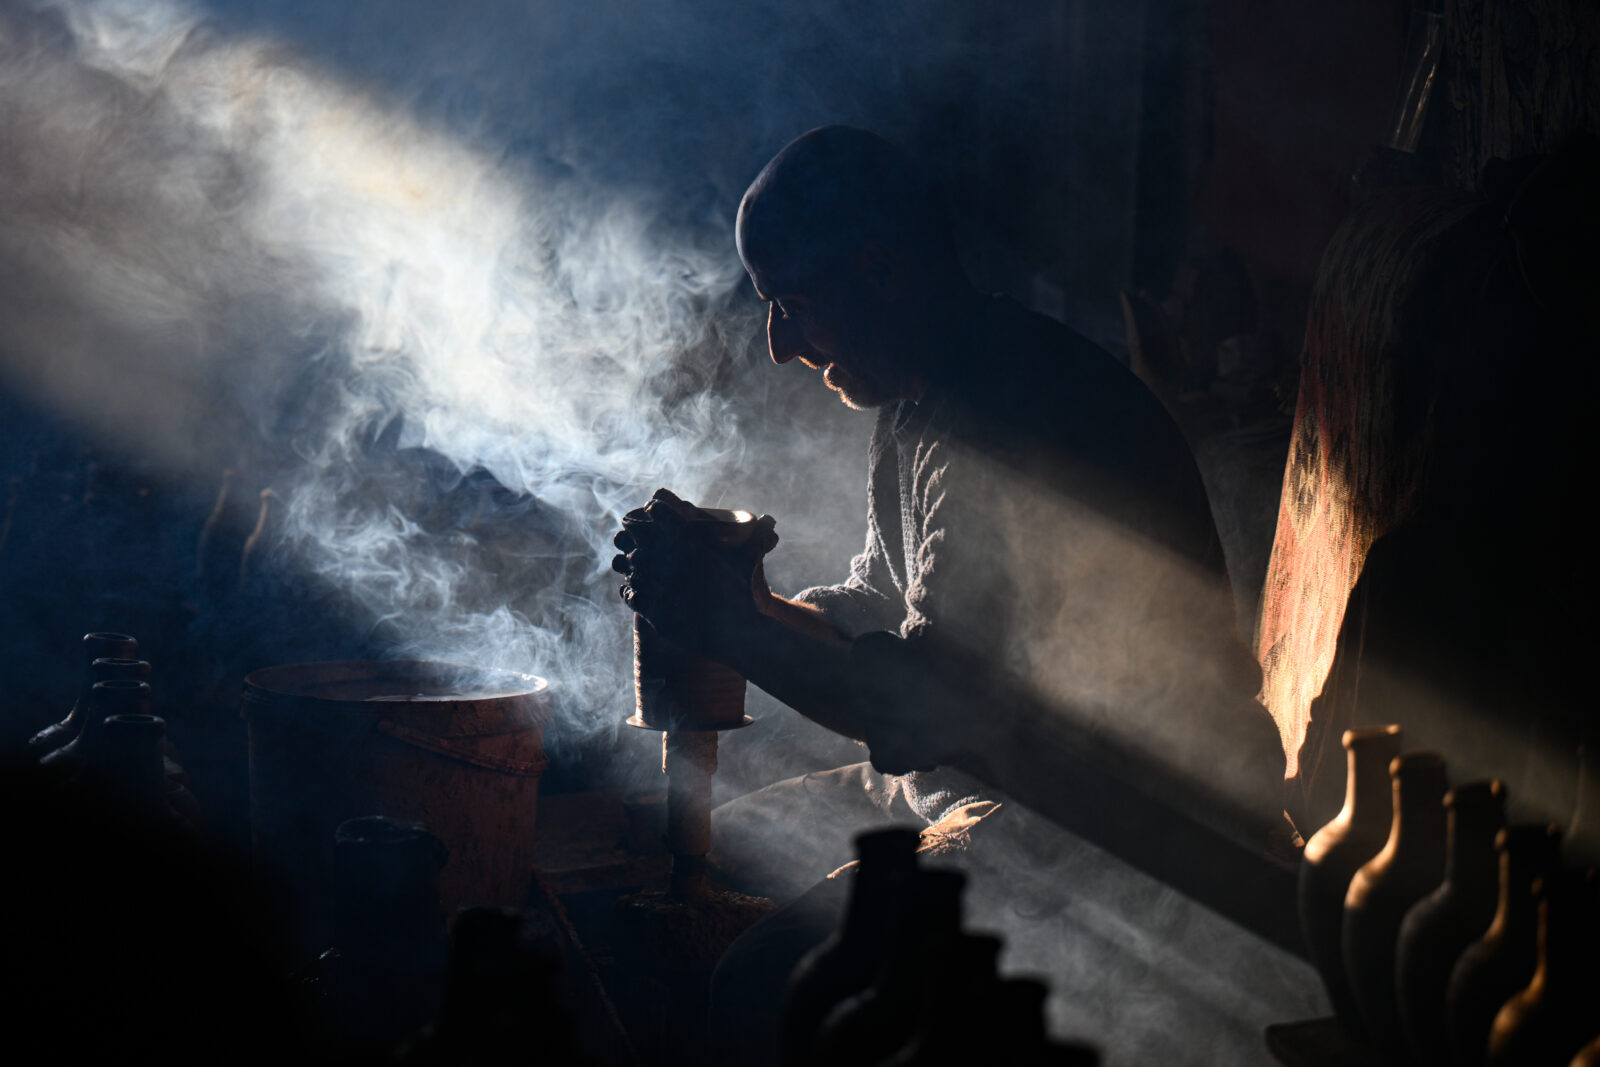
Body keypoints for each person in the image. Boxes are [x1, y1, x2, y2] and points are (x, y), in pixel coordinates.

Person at [613, 124, 1295, 1065]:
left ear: (881, 268)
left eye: (791, 303)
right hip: (985, 778)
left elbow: (931, 701)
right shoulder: (919, 398)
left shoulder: (1009, 408)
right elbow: (875, 605)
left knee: (755, 987)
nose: (777, 344)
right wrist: (744, 596)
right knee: (693, 848)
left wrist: (728, 622)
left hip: (1113, 825)